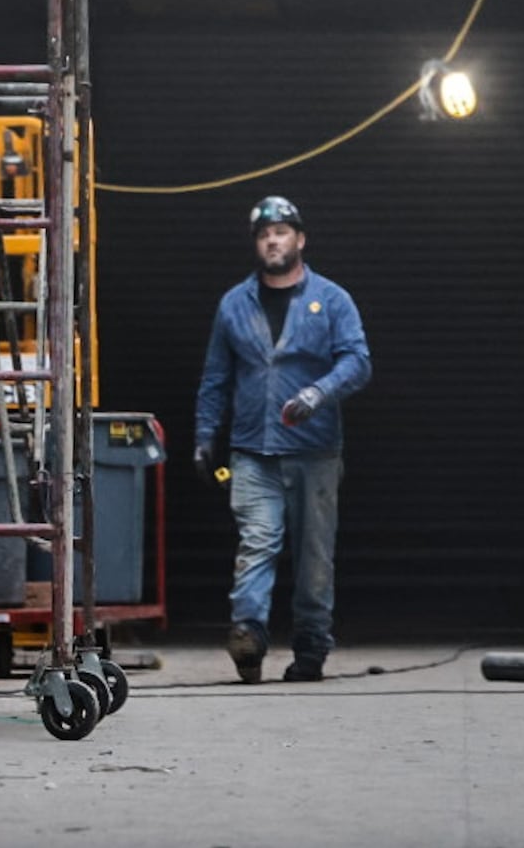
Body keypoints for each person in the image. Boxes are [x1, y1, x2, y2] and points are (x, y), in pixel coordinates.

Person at [194, 196, 372, 685]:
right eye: (264, 233)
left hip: (315, 452)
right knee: (257, 544)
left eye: (282, 231)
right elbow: (215, 377)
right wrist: (204, 435)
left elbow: (358, 361)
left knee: (315, 557)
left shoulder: (332, 300)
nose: (273, 240)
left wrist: (318, 392)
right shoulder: (234, 304)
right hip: (253, 451)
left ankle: (311, 649)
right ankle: (248, 637)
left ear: (300, 239)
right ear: (257, 243)